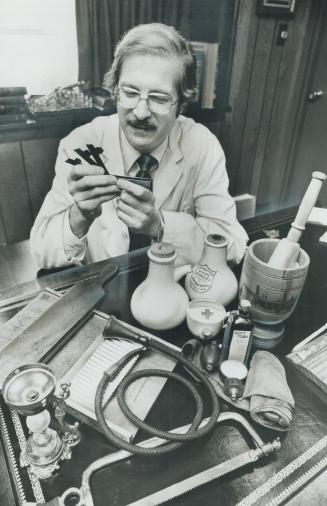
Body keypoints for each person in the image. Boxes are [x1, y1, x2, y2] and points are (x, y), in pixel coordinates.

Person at [30, 22, 248, 269]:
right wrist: (80, 216)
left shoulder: (202, 145)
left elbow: (233, 246)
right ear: (115, 92)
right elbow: (42, 253)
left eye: (158, 98)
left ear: (182, 105)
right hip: (104, 292)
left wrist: (160, 225)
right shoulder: (80, 145)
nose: (141, 112)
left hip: (175, 291)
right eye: (130, 93)